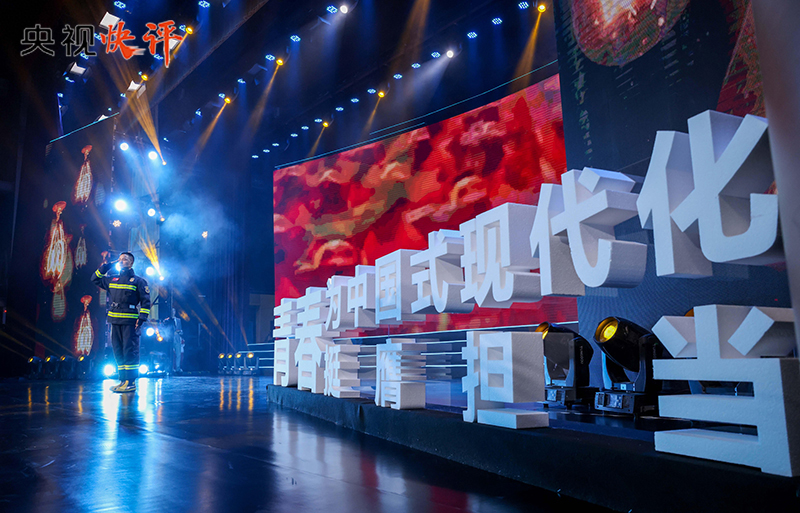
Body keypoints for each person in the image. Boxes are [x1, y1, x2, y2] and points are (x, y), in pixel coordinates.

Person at [91, 251, 151, 393]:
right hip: (115, 320)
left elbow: (146, 302)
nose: (121, 261)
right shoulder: (112, 279)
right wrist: (108, 265)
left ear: (131, 263)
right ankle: (123, 381)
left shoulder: (138, 281)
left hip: (130, 321)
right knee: (118, 351)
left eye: (124, 259)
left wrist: (141, 319)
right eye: (120, 259)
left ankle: (131, 382)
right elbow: (94, 278)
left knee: (129, 351)